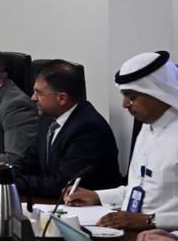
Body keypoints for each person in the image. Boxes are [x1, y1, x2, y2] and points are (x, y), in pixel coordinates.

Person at [66, 51, 178, 231]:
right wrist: (97, 196)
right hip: (132, 235)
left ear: (159, 93)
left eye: (132, 97)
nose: (124, 105)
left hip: (167, 239)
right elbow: (138, 189)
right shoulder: (147, 128)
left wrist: (150, 220)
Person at [0, 60, 122, 198]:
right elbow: (29, 162)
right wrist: (2, 171)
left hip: (87, 208)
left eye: (39, 93)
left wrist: (8, 181)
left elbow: (60, 184)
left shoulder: (88, 129)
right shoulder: (48, 118)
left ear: (62, 98)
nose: (32, 98)